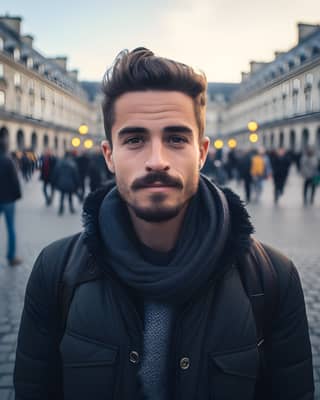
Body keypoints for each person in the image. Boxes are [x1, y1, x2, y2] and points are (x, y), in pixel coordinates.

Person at [14, 48, 313, 399]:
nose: (157, 161)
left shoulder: (272, 279)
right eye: (135, 139)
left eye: (176, 138)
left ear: (201, 152)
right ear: (109, 156)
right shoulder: (55, 272)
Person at [0, 140, 22, 266]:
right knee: (10, 228)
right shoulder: (8, 161)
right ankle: (11, 257)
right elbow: (15, 180)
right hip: (8, 200)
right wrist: (17, 195)